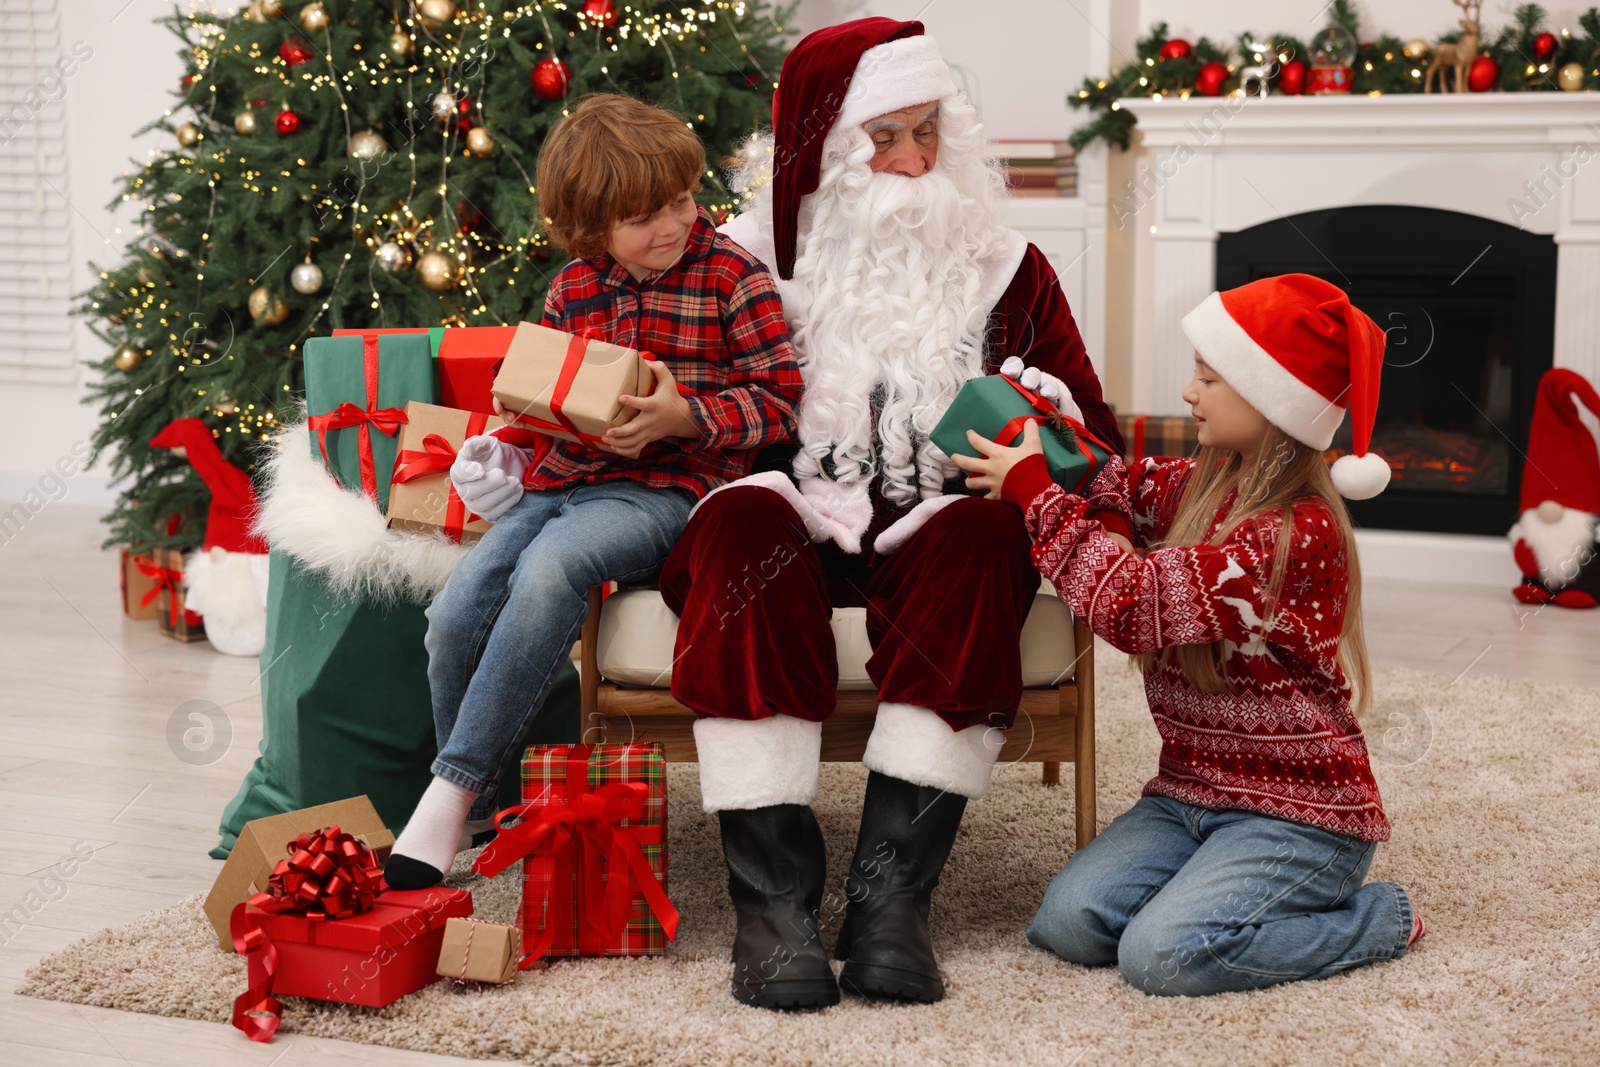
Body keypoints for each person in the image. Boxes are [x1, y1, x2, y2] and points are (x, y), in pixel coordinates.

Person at [656, 18, 1122, 1008]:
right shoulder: (736, 261)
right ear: (827, 152)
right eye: (884, 138)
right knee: (739, 527)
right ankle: (774, 909)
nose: (912, 161)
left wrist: (1046, 422)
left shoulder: (1008, 267)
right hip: (790, 523)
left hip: (934, 531)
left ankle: (888, 903)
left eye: (927, 132)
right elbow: (668, 410)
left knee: (982, 531)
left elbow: (1100, 444)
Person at [956, 272, 1427, 996]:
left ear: (1272, 401)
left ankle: (1379, 916)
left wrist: (1031, 490)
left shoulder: (1295, 536)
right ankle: (1207, 891)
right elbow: (1114, 480)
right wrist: (1055, 432)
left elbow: (1129, 607)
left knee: (1161, 957)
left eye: (1209, 378)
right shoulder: (1200, 486)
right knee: (1068, 922)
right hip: (1189, 794)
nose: (1188, 393)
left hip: (1300, 815)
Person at [383, 94, 804, 891]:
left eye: (681, 199)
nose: (675, 224)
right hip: (561, 487)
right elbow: (541, 412)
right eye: (646, 217)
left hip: (665, 492)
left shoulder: (731, 276)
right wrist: (505, 452)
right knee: (455, 610)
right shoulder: (573, 291)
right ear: (592, 229)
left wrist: (686, 417)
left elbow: (780, 401)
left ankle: (450, 790)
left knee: (549, 574)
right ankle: (478, 810)